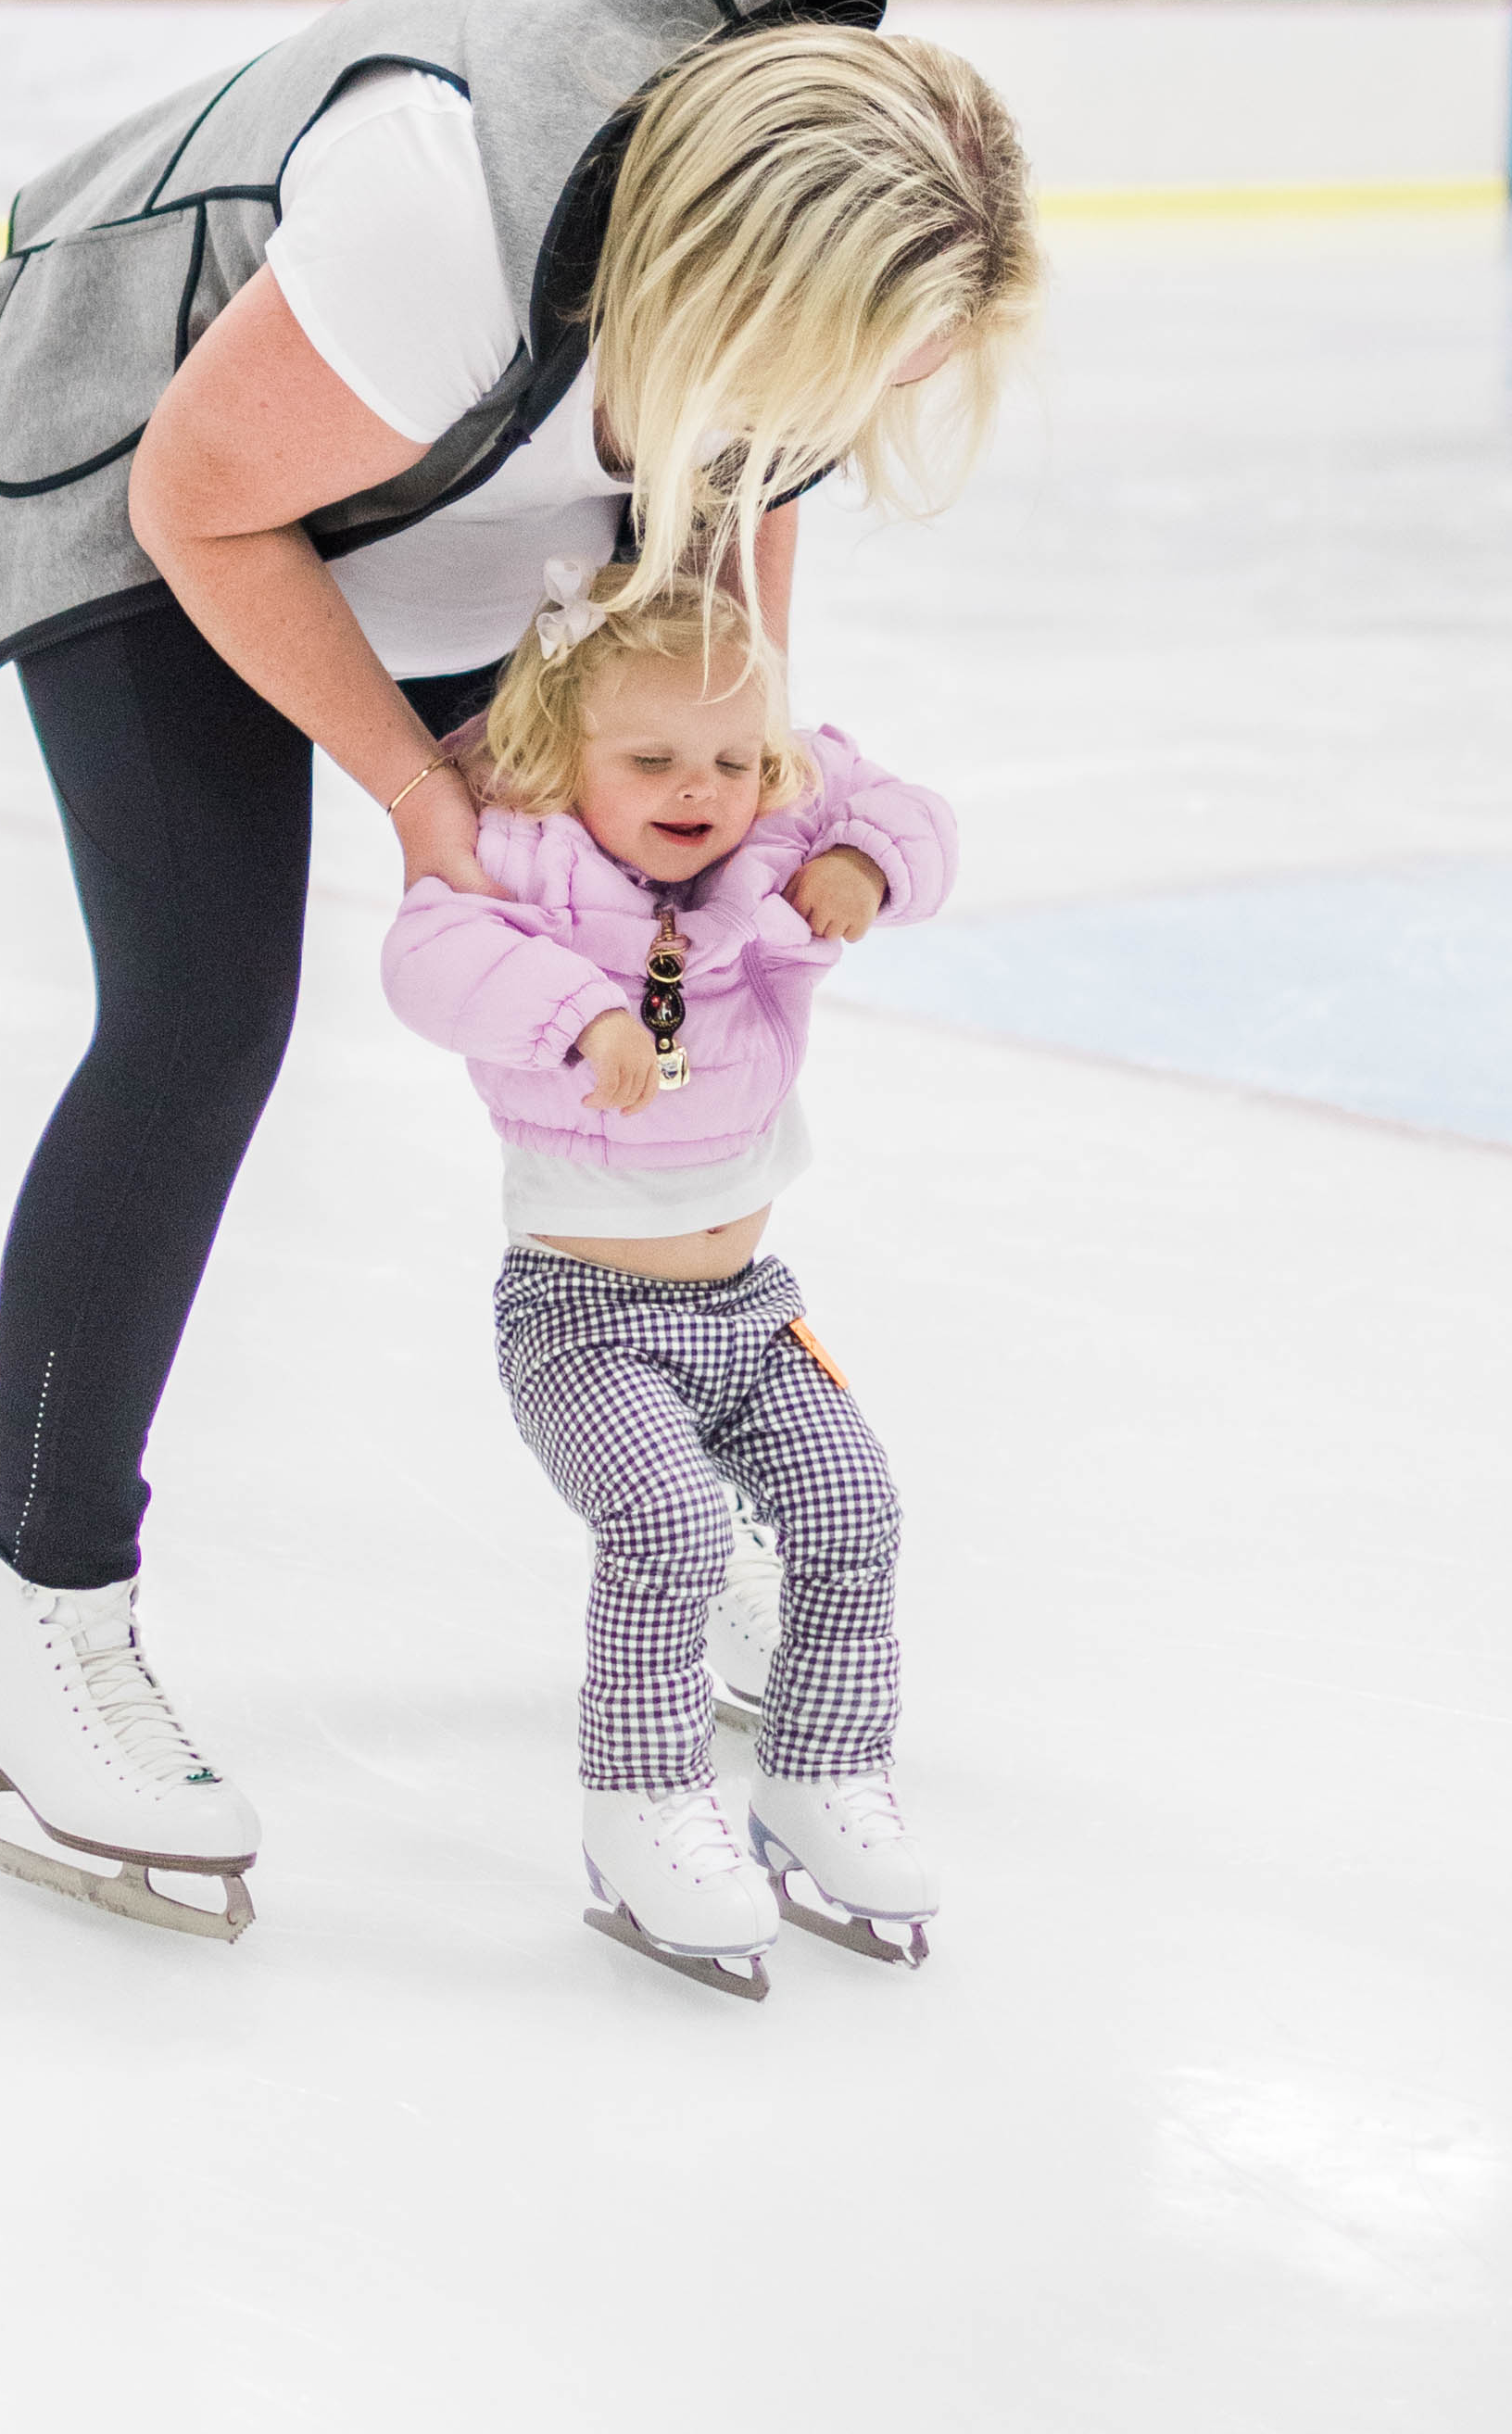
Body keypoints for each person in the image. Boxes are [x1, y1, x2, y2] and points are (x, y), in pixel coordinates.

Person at [0, 0, 1037, 1942]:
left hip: (470, 463)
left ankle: (705, 1475)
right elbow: (203, 498)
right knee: (198, 1013)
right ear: (726, 284)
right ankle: (33, 1621)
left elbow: (745, 455)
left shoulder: (801, 204)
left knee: (648, 894)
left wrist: (739, 739)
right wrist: (427, 803)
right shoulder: (440, 218)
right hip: (164, 467)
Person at [381, 558, 956, 1999]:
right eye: (647, 760)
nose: (697, 787)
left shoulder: (764, 832)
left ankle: (822, 1775)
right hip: (584, 1320)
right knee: (669, 1534)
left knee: (853, 1512)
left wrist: (861, 862)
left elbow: (906, 809)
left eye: (728, 758)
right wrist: (573, 1016)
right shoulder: (517, 864)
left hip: (753, 1308)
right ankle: (642, 1804)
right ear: (562, 757)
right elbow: (426, 959)